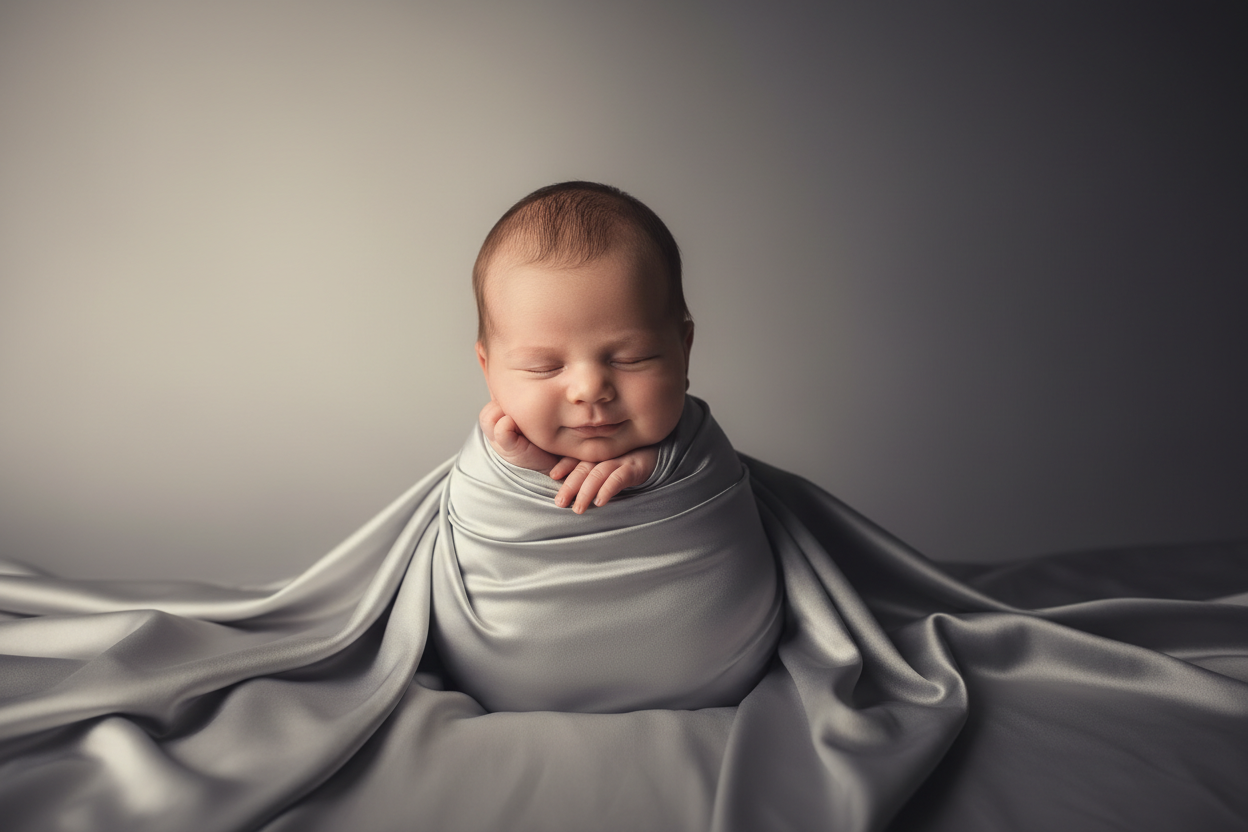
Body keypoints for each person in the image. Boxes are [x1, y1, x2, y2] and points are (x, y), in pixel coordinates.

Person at [471, 180, 693, 514]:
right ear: (489, 372)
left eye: (632, 359)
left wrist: (665, 466)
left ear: (683, 353)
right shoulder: (483, 472)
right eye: (543, 367)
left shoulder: (705, 457)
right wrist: (530, 468)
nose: (590, 390)